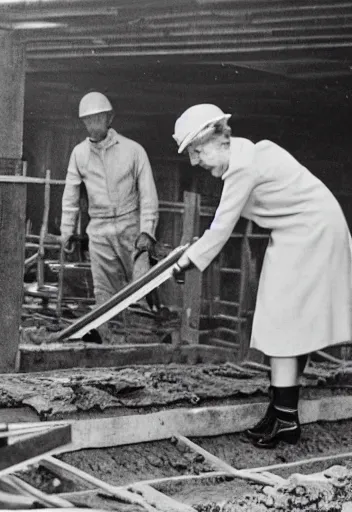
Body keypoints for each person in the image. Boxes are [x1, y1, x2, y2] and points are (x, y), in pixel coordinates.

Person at [172, 103, 352, 449]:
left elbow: (221, 227)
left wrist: (187, 262)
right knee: (279, 321)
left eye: (197, 152)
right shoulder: (248, 156)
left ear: (217, 141)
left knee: (283, 321)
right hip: (297, 232)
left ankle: (285, 418)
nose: (196, 162)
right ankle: (281, 410)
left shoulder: (243, 166)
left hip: (312, 232)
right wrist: (193, 252)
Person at [60, 92, 159, 340]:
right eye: (88, 121)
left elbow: (148, 193)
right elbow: (70, 195)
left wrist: (147, 230)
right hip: (99, 229)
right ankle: (108, 342)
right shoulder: (79, 154)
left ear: (110, 118)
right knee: (103, 291)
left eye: (98, 119)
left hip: (130, 227)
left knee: (139, 286)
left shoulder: (133, 150)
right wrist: (67, 231)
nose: (93, 125)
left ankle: (143, 341)